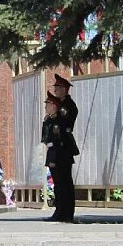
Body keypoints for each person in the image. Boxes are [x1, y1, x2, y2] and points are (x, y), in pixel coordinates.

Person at [43, 92, 79, 222]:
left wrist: (53, 160)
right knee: (58, 186)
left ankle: (67, 213)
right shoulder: (49, 120)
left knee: (65, 185)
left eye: (48, 104)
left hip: (60, 156)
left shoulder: (59, 122)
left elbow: (58, 142)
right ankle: (60, 212)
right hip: (54, 154)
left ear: (54, 106)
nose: (46, 106)